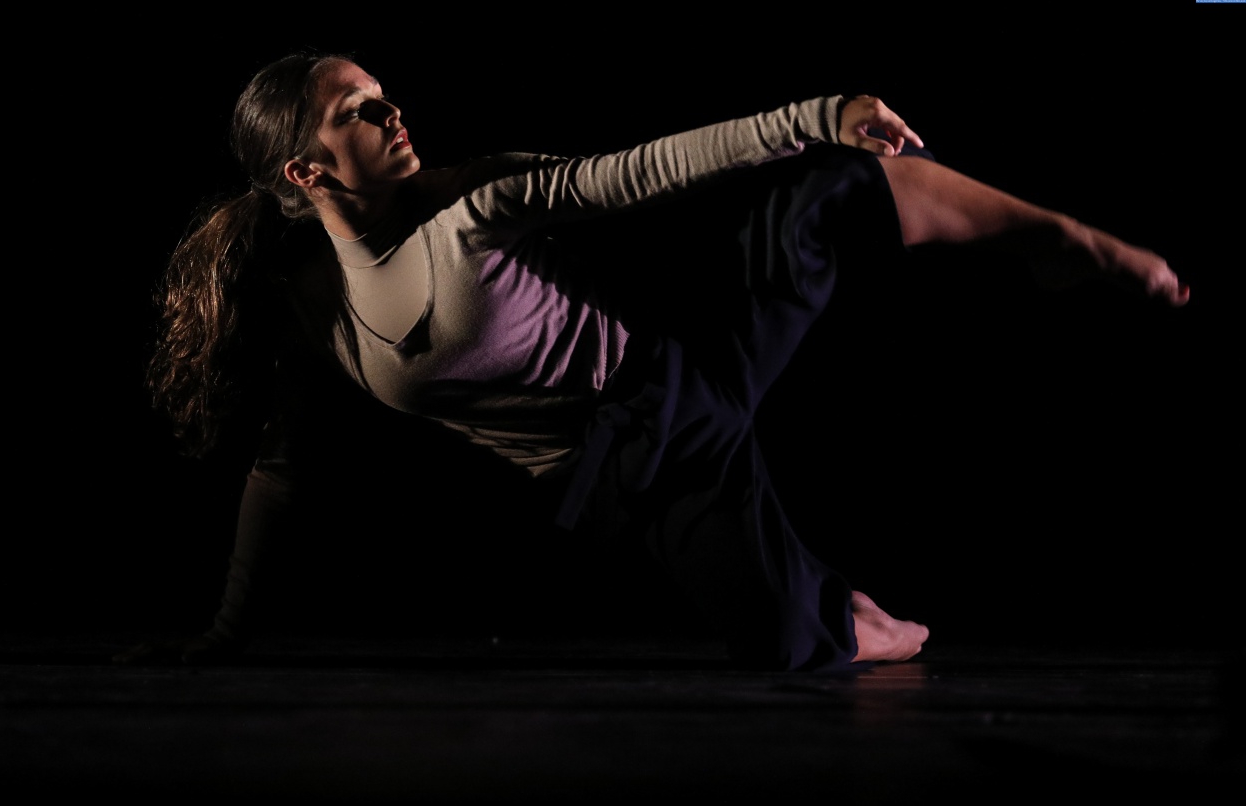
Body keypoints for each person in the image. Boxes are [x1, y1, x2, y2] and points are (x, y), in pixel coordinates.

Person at [116, 52, 1189, 672]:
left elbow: (637, 170)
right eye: (359, 111)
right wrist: (224, 630)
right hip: (623, 472)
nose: (394, 113)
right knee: (797, 645)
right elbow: (279, 469)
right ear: (306, 171)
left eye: (383, 93)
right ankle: (828, 602)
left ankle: (1065, 240)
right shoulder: (315, 311)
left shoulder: (473, 200)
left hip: (672, 376)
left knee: (824, 192)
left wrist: (817, 114)